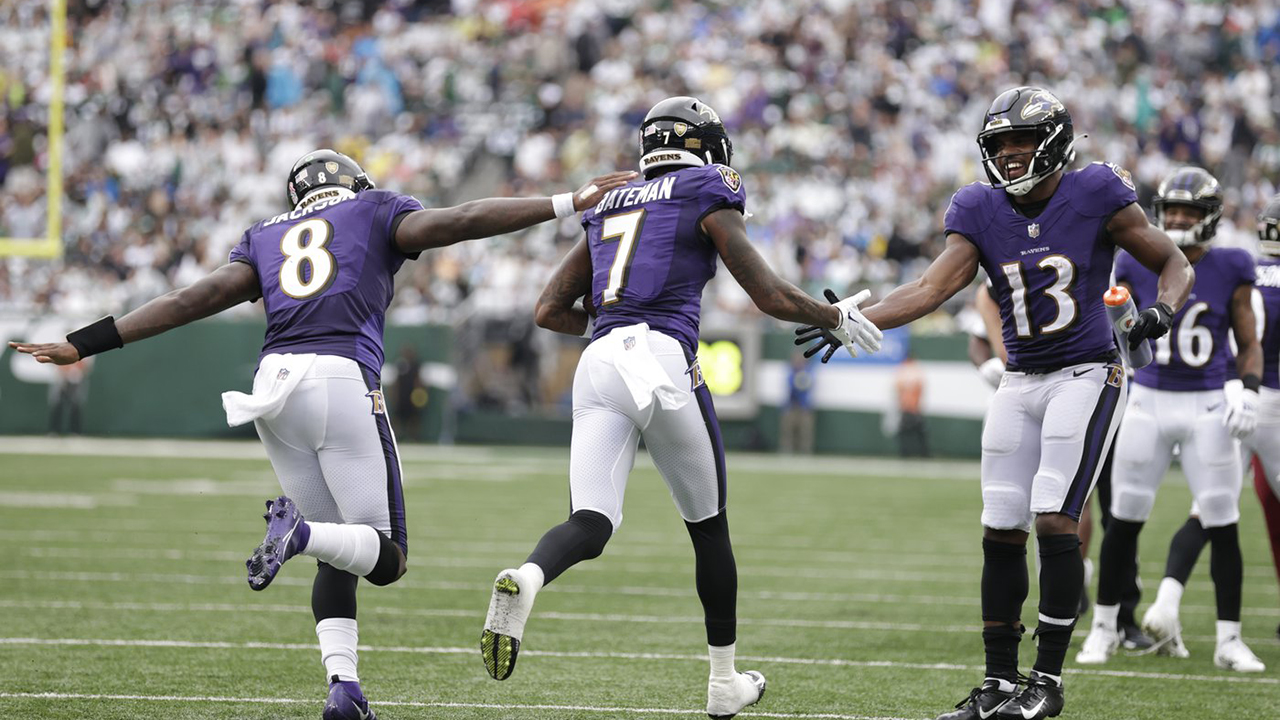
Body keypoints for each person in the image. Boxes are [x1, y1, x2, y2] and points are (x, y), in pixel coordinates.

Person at [9, 149, 636, 720]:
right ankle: (300, 534)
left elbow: (187, 299)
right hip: (339, 377)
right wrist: (564, 201)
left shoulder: (265, 235)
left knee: (340, 544)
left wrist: (82, 341)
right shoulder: (373, 210)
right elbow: (461, 218)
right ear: (353, 185)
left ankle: (344, 688)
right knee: (386, 558)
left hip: (272, 388)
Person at [477, 96, 880, 719]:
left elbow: (549, 311)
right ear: (707, 149)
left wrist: (619, 319)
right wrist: (834, 316)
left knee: (590, 522)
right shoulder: (705, 187)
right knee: (709, 528)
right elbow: (768, 292)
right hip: (661, 355)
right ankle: (723, 683)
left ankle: (527, 577)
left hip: (599, 357)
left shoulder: (612, 199)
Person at [797, 86, 1192, 720]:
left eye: (1022, 142)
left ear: (1056, 143)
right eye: (1000, 145)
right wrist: (850, 317)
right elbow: (931, 286)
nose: (1009, 156)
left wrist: (1162, 311)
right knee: (1000, 525)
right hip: (1020, 377)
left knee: (1056, 518)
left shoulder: (1094, 192)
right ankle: (1000, 682)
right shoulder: (979, 208)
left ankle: (1048, 681)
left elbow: (1173, 261)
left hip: (1088, 372)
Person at [1077, 166, 1266, 673]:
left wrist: (1247, 390)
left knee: (1223, 519)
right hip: (1149, 400)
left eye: (1190, 212)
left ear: (1210, 218)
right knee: (1125, 521)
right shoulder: (1136, 262)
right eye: (1173, 210)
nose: (1179, 219)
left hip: (1207, 403)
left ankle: (1229, 640)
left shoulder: (1232, 263)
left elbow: (1249, 342)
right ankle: (1103, 628)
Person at [1115, 192, 1280, 647]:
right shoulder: (1234, 265)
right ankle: (1211, 629)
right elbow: (1251, 337)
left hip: (1221, 393)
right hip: (1255, 396)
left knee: (1206, 512)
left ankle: (1166, 603)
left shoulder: (1243, 266)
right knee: (1220, 512)